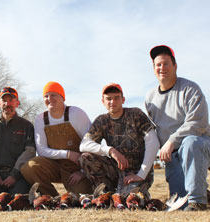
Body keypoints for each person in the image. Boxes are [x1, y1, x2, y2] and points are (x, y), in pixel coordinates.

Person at [145, 45, 210, 211]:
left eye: (166, 63)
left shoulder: (190, 89)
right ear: (153, 69)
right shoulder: (150, 97)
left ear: (175, 66)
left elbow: (198, 123)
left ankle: (198, 201)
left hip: (201, 145)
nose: (162, 68)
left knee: (190, 142)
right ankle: (203, 194)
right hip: (173, 155)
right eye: (158, 65)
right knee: (180, 202)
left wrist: (172, 141)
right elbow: (153, 130)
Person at [79, 83, 159, 197]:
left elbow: (153, 142)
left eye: (117, 98)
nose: (112, 102)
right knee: (85, 157)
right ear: (103, 101)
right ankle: (105, 193)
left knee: (130, 199)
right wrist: (110, 150)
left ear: (123, 100)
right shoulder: (101, 120)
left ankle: (138, 190)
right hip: (116, 170)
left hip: (138, 171)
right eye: (108, 99)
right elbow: (83, 145)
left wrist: (141, 174)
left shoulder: (136, 114)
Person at [21, 81, 93, 197]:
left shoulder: (76, 113)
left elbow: (92, 144)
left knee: (82, 198)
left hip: (77, 168)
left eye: (54, 94)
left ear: (62, 97)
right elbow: (41, 150)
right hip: (54, 165)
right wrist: (68, 154)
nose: (49, 98)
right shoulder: (40, 119)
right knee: (30, 167)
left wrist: (83, 172)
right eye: (46, 96)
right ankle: (52, 198)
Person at [0, 87, 35, 197]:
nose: (7, 103)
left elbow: (30, 152)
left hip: (19, 177)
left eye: (11, 100)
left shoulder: (27, 126)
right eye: (4, 100)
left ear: (17, 103)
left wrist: (14, 175)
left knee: (18, 203)